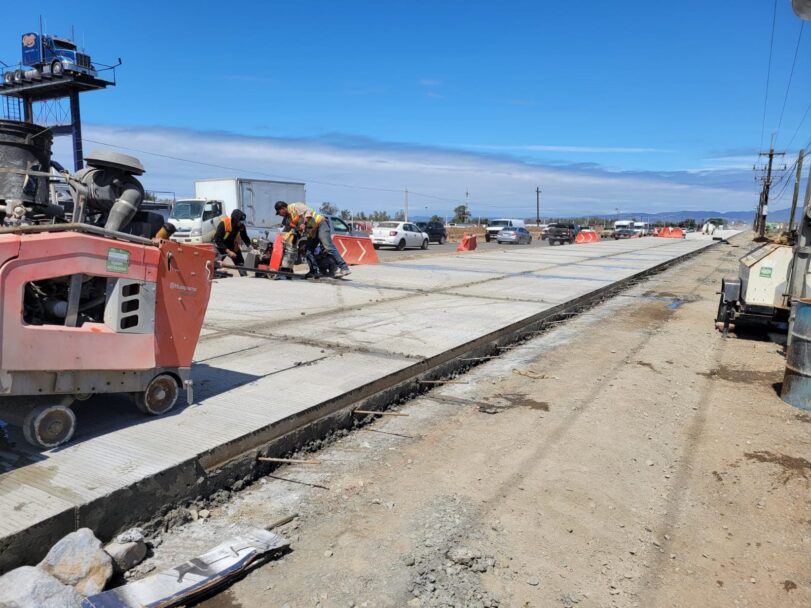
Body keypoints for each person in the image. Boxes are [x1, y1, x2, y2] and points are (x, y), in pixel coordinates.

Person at [274, 201, 351, 278]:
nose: (279, 215)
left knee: (328, 247)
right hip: (312, 232)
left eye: (279, 212)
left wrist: (303, 223)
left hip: (320, 224)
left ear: (283, 208)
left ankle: (344, 268)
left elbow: (308, 211)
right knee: (308, 250)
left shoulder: (295, 206)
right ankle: (314, 271)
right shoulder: (288, 218)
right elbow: (286, 229)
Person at [214, 209, 251, 275]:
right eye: (240, 221)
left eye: (243, 221)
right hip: (221, 246)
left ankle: (244, 276)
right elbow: (217, 239)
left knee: (240, 262)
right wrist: (228, 251)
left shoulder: (241, 226)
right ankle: (212, 274)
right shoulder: (224, 224)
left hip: (232, 245)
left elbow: (245, 237)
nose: (242, 223)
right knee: (216, 263)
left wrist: (250, 246)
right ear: (235, 220)